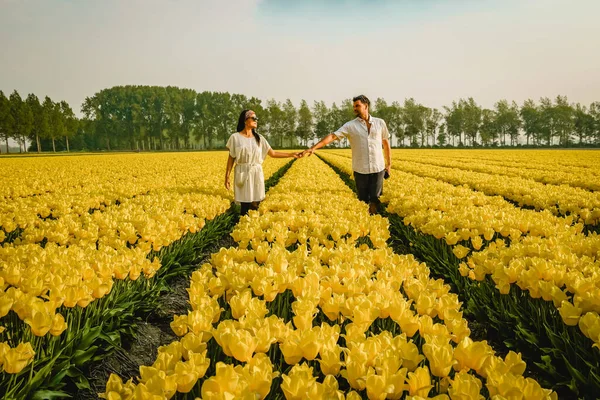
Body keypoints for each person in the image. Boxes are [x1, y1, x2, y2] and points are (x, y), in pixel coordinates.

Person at [301, 95, 392, 215]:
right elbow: (333, 136)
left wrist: (389, 164)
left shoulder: (380, 123)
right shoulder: (350, 126)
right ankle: (365, 224)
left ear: (366, 106)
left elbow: (385, 143)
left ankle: (375, 221)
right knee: (363, 201)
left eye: (357, 106)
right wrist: (314, 148)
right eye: (354, 106)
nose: (354, 108)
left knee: (376, 199)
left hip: (378, 168)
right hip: (360, 169)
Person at [225, 109, 299, 215]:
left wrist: (291, 154)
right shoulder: (235, 137)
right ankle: (243, 226)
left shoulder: (259, 138)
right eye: (253, 118)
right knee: (245, 204)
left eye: (257, 118)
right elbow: (231, 157)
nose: (256, 120)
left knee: (256, 203)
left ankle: (253, 225)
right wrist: (227, 176)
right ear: (245, 120)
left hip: (256, 172)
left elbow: (272, 153)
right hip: (243, 171)